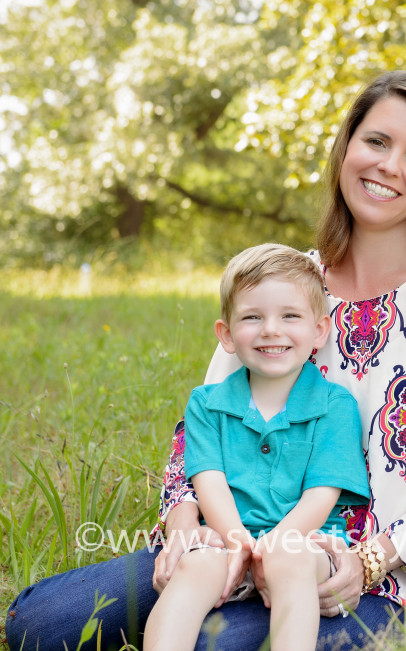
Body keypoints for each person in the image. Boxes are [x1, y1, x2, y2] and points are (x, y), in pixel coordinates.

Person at [5, 71, 406, 650]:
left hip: (385, 578)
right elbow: (200, 426)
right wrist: (183, 531)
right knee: (40, 624)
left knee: (211, 645)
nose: (388, 166)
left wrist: (367, 563)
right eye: (376, 141)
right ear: (347, 147)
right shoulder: (288, 281)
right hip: (237, 536)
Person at [143, 243, 370, 651]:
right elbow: (207, 481)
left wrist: (272, 545)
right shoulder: (207, 404)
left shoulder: (335, 406)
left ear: (319, 331)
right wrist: (236, 541)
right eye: (252, 317)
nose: (270, 329)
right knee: (196, 564)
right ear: (227, 335)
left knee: (289, 557)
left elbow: (323, 494)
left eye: (289, 316)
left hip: (308, 543)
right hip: (228, 537)